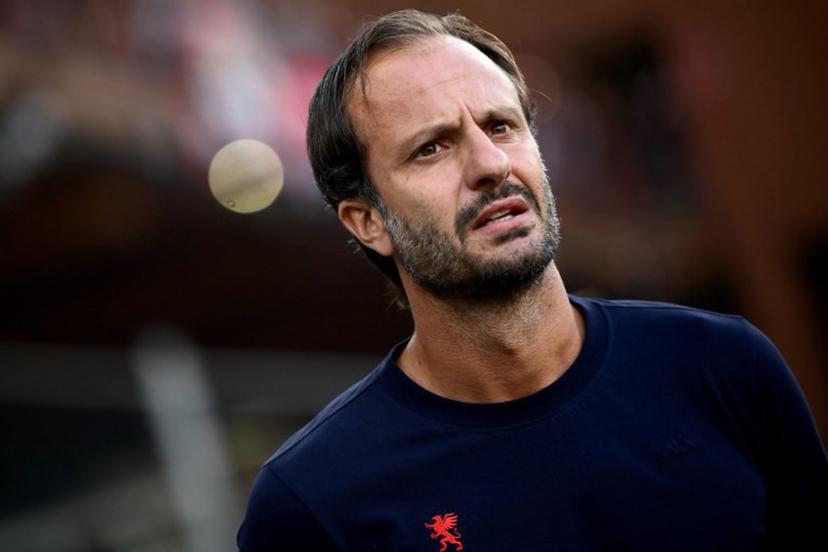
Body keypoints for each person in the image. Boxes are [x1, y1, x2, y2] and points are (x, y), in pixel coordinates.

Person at [238, 9, 827, 551]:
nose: (491, 166)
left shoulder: (723, 365)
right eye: (432, 148)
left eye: (501, 127)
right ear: (368, 222)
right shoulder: (313, 500)